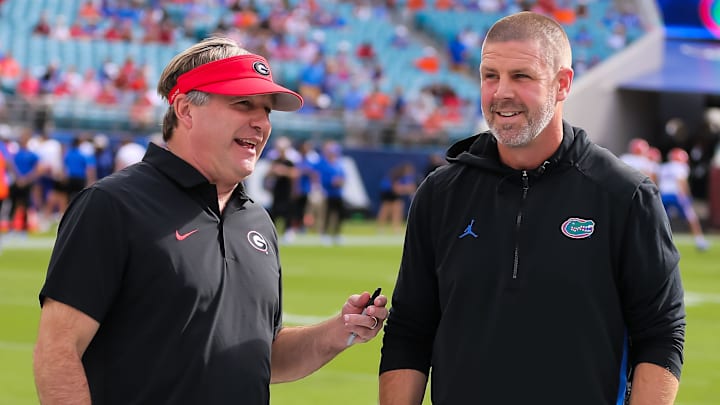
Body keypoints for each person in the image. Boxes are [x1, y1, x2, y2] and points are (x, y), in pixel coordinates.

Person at [33, 36, 388, 405]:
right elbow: (58, 351)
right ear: (186, 110)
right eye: (243, 104)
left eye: (266, 110)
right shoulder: (112, 205)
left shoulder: (257, 221)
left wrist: (338, 331)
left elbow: (264, 356)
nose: (261, 123)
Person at [379, 12, 685, 405]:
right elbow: (409, 330)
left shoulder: (624, 195)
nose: (501, 92)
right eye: (490, 76)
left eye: (521, 76)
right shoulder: (440, 194)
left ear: (562, 84)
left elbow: (661, 334)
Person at [657, 147, 710, 251]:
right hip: (677, 195)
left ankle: (658, 241)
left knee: (660, 219)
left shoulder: (663, 167)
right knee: (691, 217)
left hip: (663, 195)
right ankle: (700, 241)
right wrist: (686, 196)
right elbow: (681, 182)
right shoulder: (680, 167)